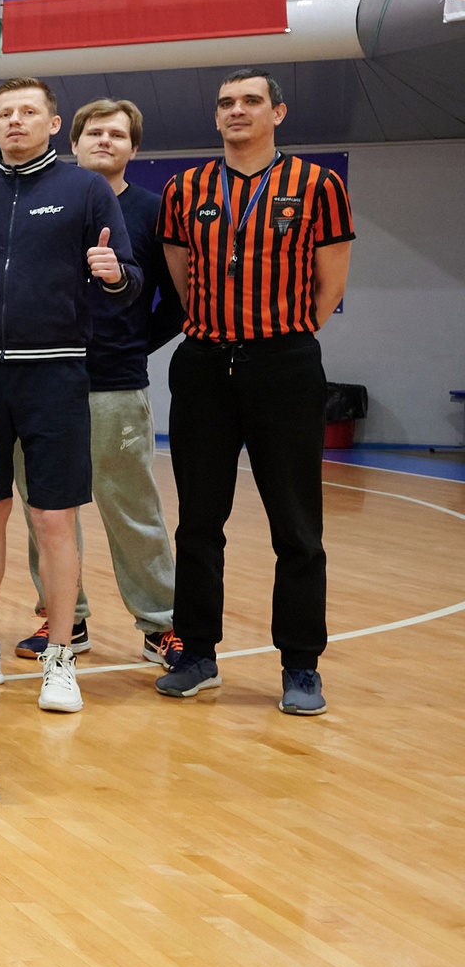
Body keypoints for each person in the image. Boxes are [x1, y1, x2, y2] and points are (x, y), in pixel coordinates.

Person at [153, 70, 354, 715]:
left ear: (278, 112)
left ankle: (301, 664)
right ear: (215, 117)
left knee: (296, 525)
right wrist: (223, 334)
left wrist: (275, 337)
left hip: (284, 365)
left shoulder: (319, 185)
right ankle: (198, 654)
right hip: (204, 366)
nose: (236, 110)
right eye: (226, 103)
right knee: (198, 521)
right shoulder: (186, 189)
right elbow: (182, 277)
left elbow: (330, 286)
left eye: (251, 101)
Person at [0, 77, 136, 714]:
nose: (15, 121)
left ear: (53, 124)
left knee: (53, 519)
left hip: (55, 375)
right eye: (5, 114)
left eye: (29, 112)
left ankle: (60, 657)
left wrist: (114, 275)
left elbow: (129, 278)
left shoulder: (86, 190)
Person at [12, 99, 185, 673]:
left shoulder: (152, 211)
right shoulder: (44, 199)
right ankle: (67, 617)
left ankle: (162, 622)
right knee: (45, 511)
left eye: (117, 134)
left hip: (113, 384)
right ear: (74, 142)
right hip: (39, 382)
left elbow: (177, 301)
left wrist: (131, 346)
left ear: (134, 147)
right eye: (94, 132)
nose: (104, 140)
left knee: (132, 508)